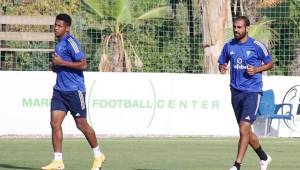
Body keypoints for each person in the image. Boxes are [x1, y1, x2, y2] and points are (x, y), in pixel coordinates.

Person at [41, 13, 105, 170]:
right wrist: (55, 66)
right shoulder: (58, 44)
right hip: (59, 91)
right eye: (55, 25)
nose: (56, 28)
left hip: (75, 91)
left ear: (67, 28)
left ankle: (98, 155)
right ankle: (58, 161)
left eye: (59, 26)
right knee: (55, 123)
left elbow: (84, 65)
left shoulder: (71, 42)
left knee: (81, 125)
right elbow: (59, 68)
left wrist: (62, 62)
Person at [218, 16, 273, 170]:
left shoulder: (257, 46)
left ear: (246, 28)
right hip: (235, 92)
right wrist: (222, 68)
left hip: (253, 91)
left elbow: (269, 64)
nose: (236, 30)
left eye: (239, 27)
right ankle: (264, 157)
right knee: (246, 131)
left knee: (243, 128)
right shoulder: (229, 46)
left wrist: (256, 69)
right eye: (235, 27)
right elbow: (222, 63)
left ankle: (237, 165)